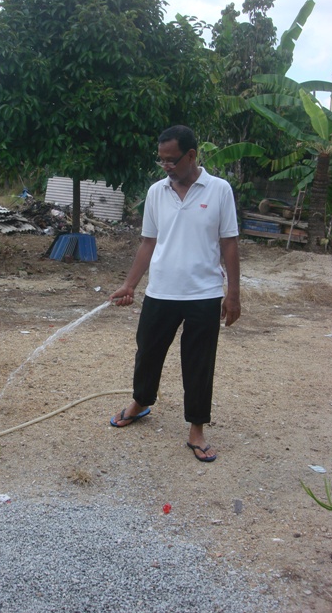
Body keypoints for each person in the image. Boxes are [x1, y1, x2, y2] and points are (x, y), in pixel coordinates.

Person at [109, 125, 241, 462]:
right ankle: (140, 402)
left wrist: (233, 294)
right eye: (161, 160)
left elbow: (229, 242)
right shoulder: (156, 192)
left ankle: (196, 428)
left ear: (191, 155)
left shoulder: (219, 189)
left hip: (203, 293)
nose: (166, 166)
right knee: (148, 352)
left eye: (172, 160)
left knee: (199, 363)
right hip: (161, 291)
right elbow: (148, 242)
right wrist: (130, 284)